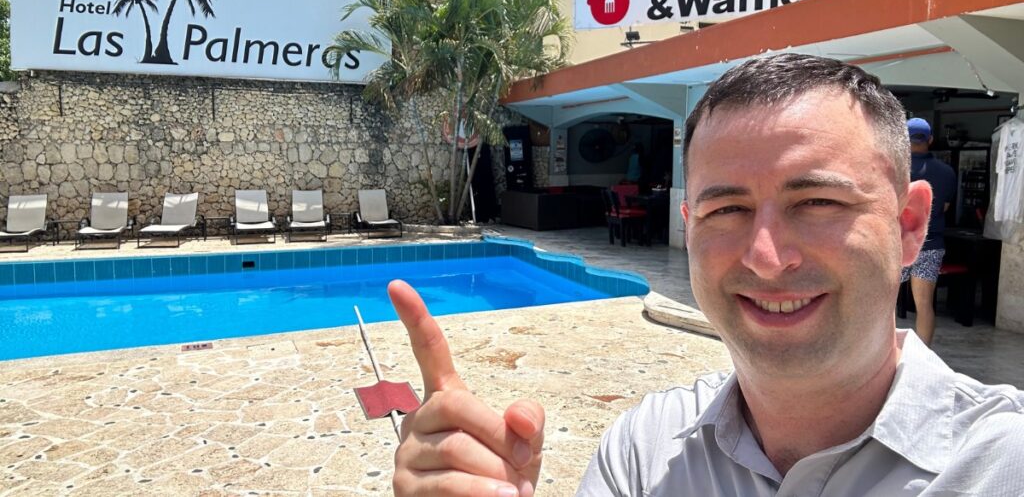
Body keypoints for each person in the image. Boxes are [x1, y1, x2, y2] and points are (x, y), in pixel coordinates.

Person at [388, 54, 1024, 497]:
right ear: (691, 227)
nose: (766, 257)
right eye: (728, 210)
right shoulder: (645, 452)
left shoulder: (1003, 463)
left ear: (910, 225)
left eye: (818, 203)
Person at [902, 117, 956, 346]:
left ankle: (881, 355)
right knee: (924, 304)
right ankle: (923, 354)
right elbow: (945, 207)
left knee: (883, 302)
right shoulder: (946, 172)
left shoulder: (895, 169)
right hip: (931, 243)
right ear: (930, 140)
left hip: (898, 245)